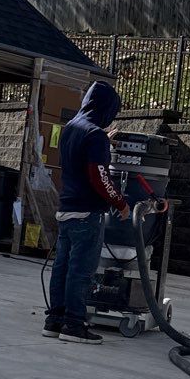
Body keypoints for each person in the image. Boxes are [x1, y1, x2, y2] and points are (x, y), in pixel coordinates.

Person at [43, 79, 129, 345]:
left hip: (66, 208)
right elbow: (98, 175)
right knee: (81, 271)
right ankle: (74, 324)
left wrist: (104, 140)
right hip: (87, 212)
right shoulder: (95, 135)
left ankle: (54, 320)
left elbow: (77, 162)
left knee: (62, 267)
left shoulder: (71, 128)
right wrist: (120, 202)